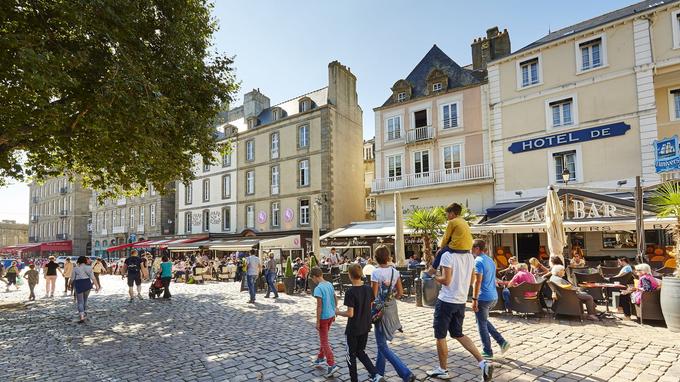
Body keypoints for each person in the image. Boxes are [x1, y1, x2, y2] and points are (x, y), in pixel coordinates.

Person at [427, 202, 493, 381]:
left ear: (451, 213)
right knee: (458, 333)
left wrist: (435, 277)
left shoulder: (448, 255)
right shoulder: (471, 257)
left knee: (440, 336)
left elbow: (446, 280)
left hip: (447, 300)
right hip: (460, 301)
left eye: (447, 213)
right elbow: (472, 280)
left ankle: (443, 369)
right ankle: (482, 363)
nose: (446, 216)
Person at [371, 246, 416, 382]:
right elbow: (400, 293)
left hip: (379, 310)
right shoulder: (395, 272)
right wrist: (391, 297)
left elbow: (374, 296)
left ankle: (406, 373)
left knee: (382, 346)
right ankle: (379, 374)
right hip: (391, 307)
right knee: (382, 343)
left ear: (376, 258)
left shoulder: (376, 272)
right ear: (388, 257)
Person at [337, 264, 384, 382]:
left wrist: (338, 312)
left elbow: (350, 313)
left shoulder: (350, 292)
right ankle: (375, 374)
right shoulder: (368, 288)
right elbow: (370, 305)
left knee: (351, 355)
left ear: (350, 275)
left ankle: (354, 379)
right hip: (365, 325)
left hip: (353, 328)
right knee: (361, 351)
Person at [471, 239, 510, 360]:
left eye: (472, 248)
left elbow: (478, 281)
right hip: (493, 296)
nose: (470, 250)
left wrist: (474, 298)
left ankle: (488, 351)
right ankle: (502, 342)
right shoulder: (490, 260)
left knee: (481, 324)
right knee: (482, 320)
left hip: (483, 297)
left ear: (477, 248)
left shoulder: (478, 261)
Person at [310, 266, 340, 378]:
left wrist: (317, 321)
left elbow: (319, 306)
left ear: (314, 277)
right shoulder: (329, 284)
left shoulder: (318, 288)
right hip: (331, 315)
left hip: (323, 317)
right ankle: (320, 358)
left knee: (324, 341)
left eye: (312, 279)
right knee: (325, 338)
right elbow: (335, 298)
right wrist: (335, 309)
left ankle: (331, 364)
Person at [71, 256, 100, 323]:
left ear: (78, 261)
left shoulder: (75, 268)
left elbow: (72, 278)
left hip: (79, 284)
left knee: (80, 301)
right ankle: (84, 312)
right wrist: (97, 286)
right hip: (87, 284)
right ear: (85, 261)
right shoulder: (89, 268)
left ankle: (81, 316)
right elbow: (93, 278)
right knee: (85, 299)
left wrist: (69, 284)